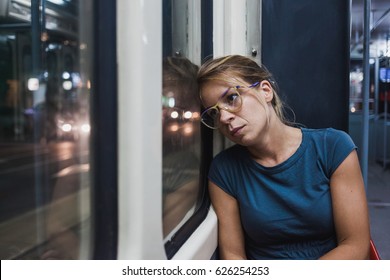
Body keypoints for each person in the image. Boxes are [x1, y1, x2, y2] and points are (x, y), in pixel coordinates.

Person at [197, 54, 370, 260]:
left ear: (265, 91)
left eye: (232, 98)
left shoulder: (332, 147)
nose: (224, 117)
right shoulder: (224, 170)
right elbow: (234, 256)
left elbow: (356, 245)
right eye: (214, 113)